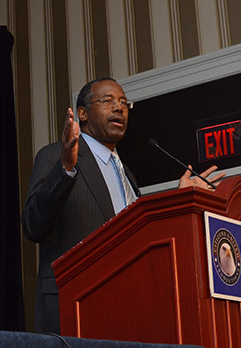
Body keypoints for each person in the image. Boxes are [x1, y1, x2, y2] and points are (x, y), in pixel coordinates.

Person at [22, 77, 225, 334]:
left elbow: (137, 239)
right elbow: (33, 226)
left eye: (123, 103)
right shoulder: (55, 155)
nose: (118, 108)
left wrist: (178, 199)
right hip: (75, 310)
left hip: (128, 309)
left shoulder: (128, 174)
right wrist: (66, 167)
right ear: (82, 113)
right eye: (107, 101)